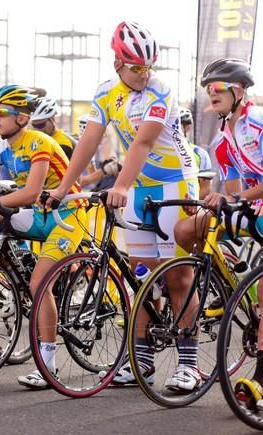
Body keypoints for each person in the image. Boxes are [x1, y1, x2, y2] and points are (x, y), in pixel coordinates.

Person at [45, 21, 200, 390]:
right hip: (140, 189)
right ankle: (142, 363)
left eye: (148, 66)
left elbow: (142, 145)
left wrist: (121, 185)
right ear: (118, 63)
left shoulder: (160, 91)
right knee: (141, 278)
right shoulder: (105, 93)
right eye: (136, 67)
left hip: (174, 183)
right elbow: (88, 142)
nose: (144, 74)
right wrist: (65, 187)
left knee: (176, 277)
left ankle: (189, 365)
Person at [0, 85, 86, 389]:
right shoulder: (0, 147)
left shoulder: (39, 141)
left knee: (40, 284)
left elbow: (30, 192)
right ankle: (12, 275)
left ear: (23, 118)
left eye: (2, 113)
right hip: (39, 215)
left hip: (66, 217)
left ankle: (48, 365)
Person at [173, 59, 263, 405]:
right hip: (253, 211)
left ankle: (260, 379)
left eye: (216, 89)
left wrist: (235, 197)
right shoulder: (223, 139)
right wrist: (214, 201)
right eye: (207, 89)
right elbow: (233, 189)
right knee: (187, 229)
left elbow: (240, 192)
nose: (210, 94)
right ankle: (232, 281)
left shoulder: (256, 124)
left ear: (238, 91)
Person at [180, 107, 214, 199]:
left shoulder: (200, 154)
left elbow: (206, 189)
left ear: (187, 127)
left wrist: (189, 204)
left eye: (178, 126)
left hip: (190, 208)